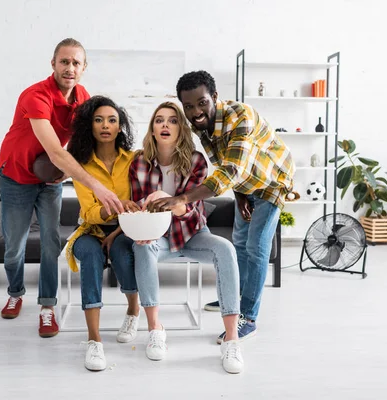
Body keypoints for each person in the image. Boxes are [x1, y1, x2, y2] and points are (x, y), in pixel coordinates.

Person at [148, 71, 295, 345]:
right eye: (188, 106)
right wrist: (239, 194)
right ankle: (233, 298)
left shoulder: (241, 117)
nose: (196, 112)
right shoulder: (202, 126)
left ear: (214, 97)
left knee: (256, 249)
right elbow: (225, 164)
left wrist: (182, 199)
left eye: (202, 103)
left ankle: (247, 318)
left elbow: (231, 169)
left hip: (273, 183)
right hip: (246, 184)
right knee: (238, 243)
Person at [0, 38, 124, 338]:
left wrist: (68, 177)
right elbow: (55, 151)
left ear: (84, 68)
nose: (70, 68)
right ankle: (15, 291)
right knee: (14, 247)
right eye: (64, 61)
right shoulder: (35, 96)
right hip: (16, 174)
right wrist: (97, 187)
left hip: (48, 180)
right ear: (53, 63)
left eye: (76, 62)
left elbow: (84, 145)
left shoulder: (83, 99)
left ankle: (47, 307)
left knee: (52, 243)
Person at [128, 102, 244, 374]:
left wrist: (169, 202)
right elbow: (139, 205)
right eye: (159, 120)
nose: (165, 125)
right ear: (152, 128)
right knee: (141, 248)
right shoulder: (139, 161)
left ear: (181, 128)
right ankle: (155, 328)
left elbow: (189, 210)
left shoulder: (196, 161)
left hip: (192, 233)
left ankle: (232, 338)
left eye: (172, 120)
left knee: (225, 249)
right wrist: (145, 226)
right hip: (158, 235)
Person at [65, 96, 141, 372]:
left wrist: (117, 228)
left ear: (120, 127)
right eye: (98, 120)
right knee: (88, 253)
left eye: (112, 120)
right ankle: (94, 340)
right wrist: (115, 211)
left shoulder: (134, 159)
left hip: (128, 228)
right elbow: (89, 212)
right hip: (92, 229)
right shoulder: (81, 164)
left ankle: (133, 310)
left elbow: (140, 203)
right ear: (90, 125)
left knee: (121, 250)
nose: (105, 126)